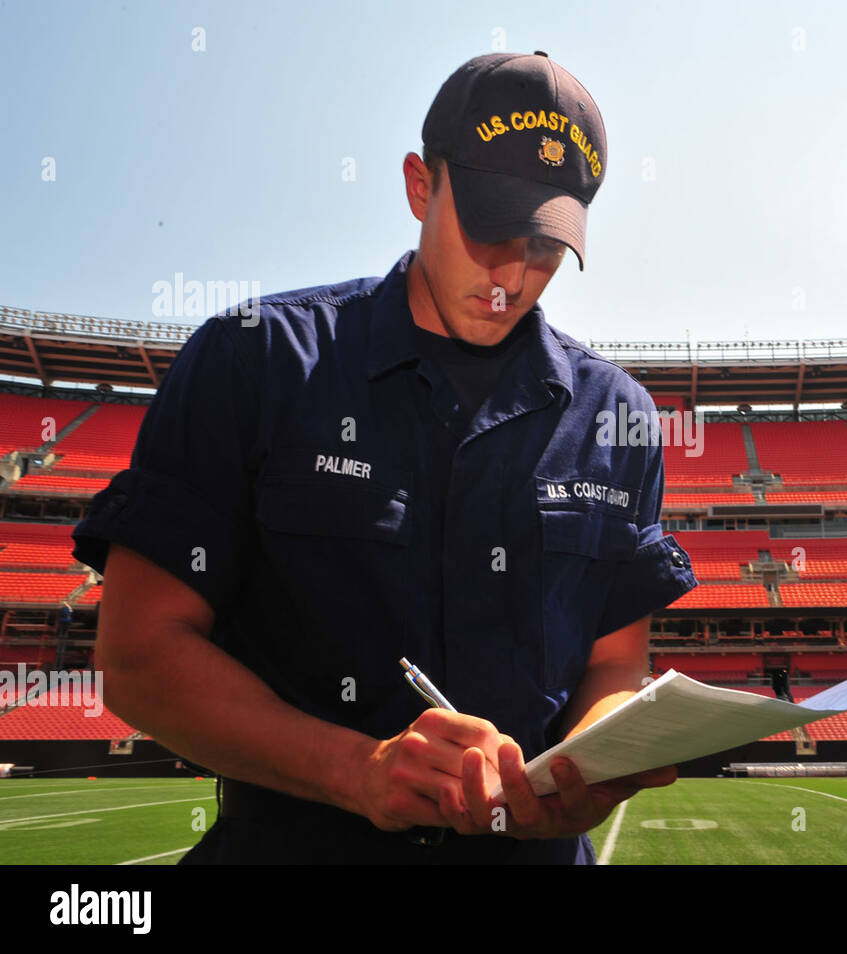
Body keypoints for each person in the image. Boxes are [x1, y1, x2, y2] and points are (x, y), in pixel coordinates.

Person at [71, 51, 697, 864]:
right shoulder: (255, 362)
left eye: (543, 246)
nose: (510, 275)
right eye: (488, 229)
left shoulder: (619, 417)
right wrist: (357, 771)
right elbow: (138, 656)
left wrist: (586, 762)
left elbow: (616, 665)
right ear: (418, 186)